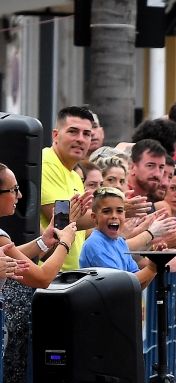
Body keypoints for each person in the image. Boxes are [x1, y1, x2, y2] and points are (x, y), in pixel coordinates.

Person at [41, 105, 94, 272]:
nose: (80, 139)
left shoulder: (75, 176)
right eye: (73, 132)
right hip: (47, 275)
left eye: (86, 134)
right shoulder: (46, 163)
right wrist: (115, 211)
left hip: (68, 275)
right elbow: (61, 219)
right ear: (56, 135)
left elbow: (81, 231)